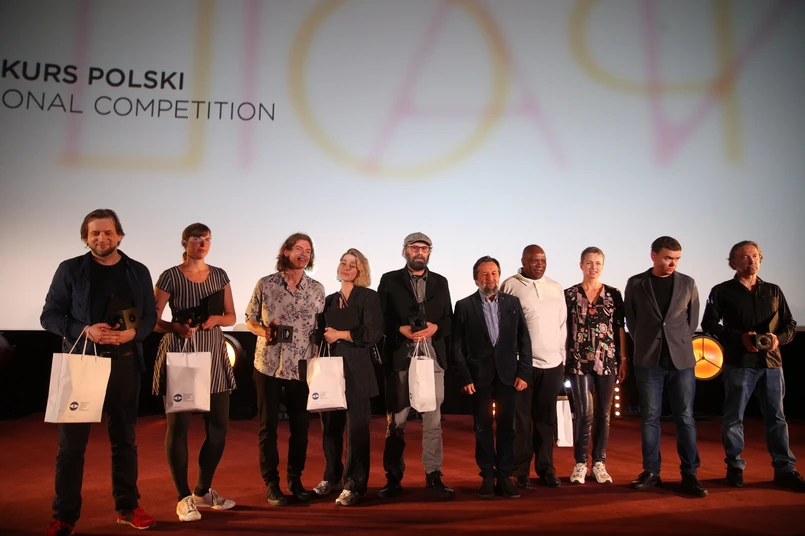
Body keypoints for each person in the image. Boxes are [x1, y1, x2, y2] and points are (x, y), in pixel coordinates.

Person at [41, 209, 157, 536]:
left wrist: (133, 334)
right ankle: (64, 517)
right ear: (85, 237)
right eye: (95, 233)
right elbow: (49, 316)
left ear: (119, 236)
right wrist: (84, 329)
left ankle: (128, 508)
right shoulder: (70, 269)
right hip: (82, 363)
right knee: (71, 447)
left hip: (124, 363)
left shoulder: (138, 271)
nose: (101, 238)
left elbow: (149, 317)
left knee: (125, 441)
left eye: (107, 232)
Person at [701, 240, 804, 491]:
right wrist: (740, 338)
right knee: (733, 417)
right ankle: (734, 468)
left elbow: (790, 324)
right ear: (733, 262)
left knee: (777, 418)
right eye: (745, 257)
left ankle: (784, 469)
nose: (751, 261)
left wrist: (779, 339)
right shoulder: (721, 291)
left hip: (772, 364)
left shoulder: (774, 291)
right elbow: (709, 324)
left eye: (755, 256)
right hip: (739, 363)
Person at [151, 223, 237, 522]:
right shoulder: (170, 276)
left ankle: (202, 491)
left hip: (213, 355)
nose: (203, 244)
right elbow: (151, 319)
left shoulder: (220, 275)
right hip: (182, 353)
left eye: (207, 239)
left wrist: (215, 319)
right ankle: (182, 497)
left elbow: (231, 316)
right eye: (197, 239)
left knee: (219, 428)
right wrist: (175, 326)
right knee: (179, 429)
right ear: (185, 242)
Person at [245, 233, 325, 506]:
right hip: (268, 364)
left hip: (302, 366)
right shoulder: (266, 283)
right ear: (286, 251)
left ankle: (295, 479)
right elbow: (250, 319)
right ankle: (271, 484)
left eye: (308, 251)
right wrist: (264, 331)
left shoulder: (317, 289)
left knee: (300, 427)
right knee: (267, 428)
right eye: (299, 248)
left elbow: (320, 327)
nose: (304, 254)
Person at [624, 236, 707, 498]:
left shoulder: (688, 283)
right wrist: (647, 343)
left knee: (685, 417)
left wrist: (676, 342)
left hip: (681, 361)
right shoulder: (636, 283)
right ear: (654, 256)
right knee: (650, 417)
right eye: (668, 258)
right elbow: (631, 321)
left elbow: (691, 321)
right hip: (649, 360)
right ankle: (651, 472)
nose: (673, 263)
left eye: (677, 259)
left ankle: (690, 474)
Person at [377, 232, 455, 500]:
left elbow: (449, 320)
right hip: (400, 357)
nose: (419, 252)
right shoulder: (389, 280)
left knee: (432, 421)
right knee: (397, 421)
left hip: (432, 359)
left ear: (429, 253)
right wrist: (399, 329)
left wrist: (435, 327)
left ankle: (433, 475)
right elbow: (380, 319)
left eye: (424, 248)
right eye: (414, 248)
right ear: (404, 251)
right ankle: (393, 478)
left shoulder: (441, 282)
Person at [452, 256, 531, 498]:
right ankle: (487, 475)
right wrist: (464, 377)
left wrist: (524, 372)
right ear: (476, 278)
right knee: (482, 428)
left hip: (508, 376)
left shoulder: (513, 303)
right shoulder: (464, 306)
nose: (490, 278)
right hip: (478, 378)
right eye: (485, 274)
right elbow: (456, 347)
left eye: (494, 273)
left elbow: (524, 340)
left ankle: (505, 475)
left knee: (508, 427)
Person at [313, 249, 384, 506]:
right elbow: (319, 333)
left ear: (360, 270)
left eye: (352, 264)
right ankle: (331, 477)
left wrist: (341, 335)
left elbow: (373, 332)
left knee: (357, 430)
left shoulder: (369, 297)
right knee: (330, 428)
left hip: (358, 370)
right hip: (330, 370)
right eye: (343, 263)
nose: (346, 267)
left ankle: (354, 485)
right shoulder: (329, 300)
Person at [500, 245, 566, 488]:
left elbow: (562, 324)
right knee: (521, 421)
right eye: (534, 260)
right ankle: (521, 471)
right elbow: (504, 326)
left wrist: (561, 356)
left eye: (543, 260)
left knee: (546, 421)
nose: (540, 264)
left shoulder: (555, 287)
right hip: (523, 367)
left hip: (552, 365)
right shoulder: (510, 285)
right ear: (523, 261)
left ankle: (546, 469)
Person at [564, 247, 628, 485]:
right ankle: (580, 463)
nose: (593, 267)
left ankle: (599, 463)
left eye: (598, 263)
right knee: (584, 413)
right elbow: (564, 328)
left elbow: (619, 327)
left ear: (603, 266)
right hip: (578, 359)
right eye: (589, 263)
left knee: (604, 413)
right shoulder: (570, 294)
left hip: (607, 359)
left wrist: (623, 359)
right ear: (581, 265)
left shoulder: (613, 294)